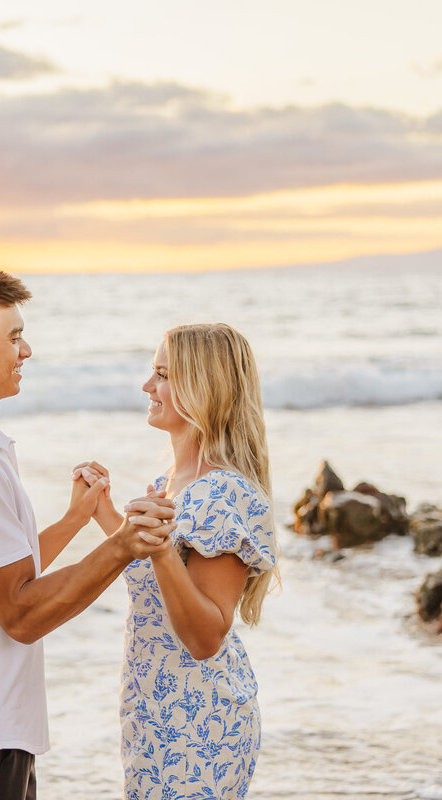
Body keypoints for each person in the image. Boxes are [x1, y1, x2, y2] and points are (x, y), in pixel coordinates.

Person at [0, 263, 177, 800]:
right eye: (15, 337)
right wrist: (121, 546)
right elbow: (20, 614)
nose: (27, 351)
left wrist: (75, 520)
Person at [82, 323, 279, 800]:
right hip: (154, 708)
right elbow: (153, 571)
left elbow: (205, 636)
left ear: (201, 388)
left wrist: (162, 546)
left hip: (200, 722)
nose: (148, 387)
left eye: (162, 375)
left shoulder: (225, 494)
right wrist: (102, 509)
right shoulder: (171, 483)